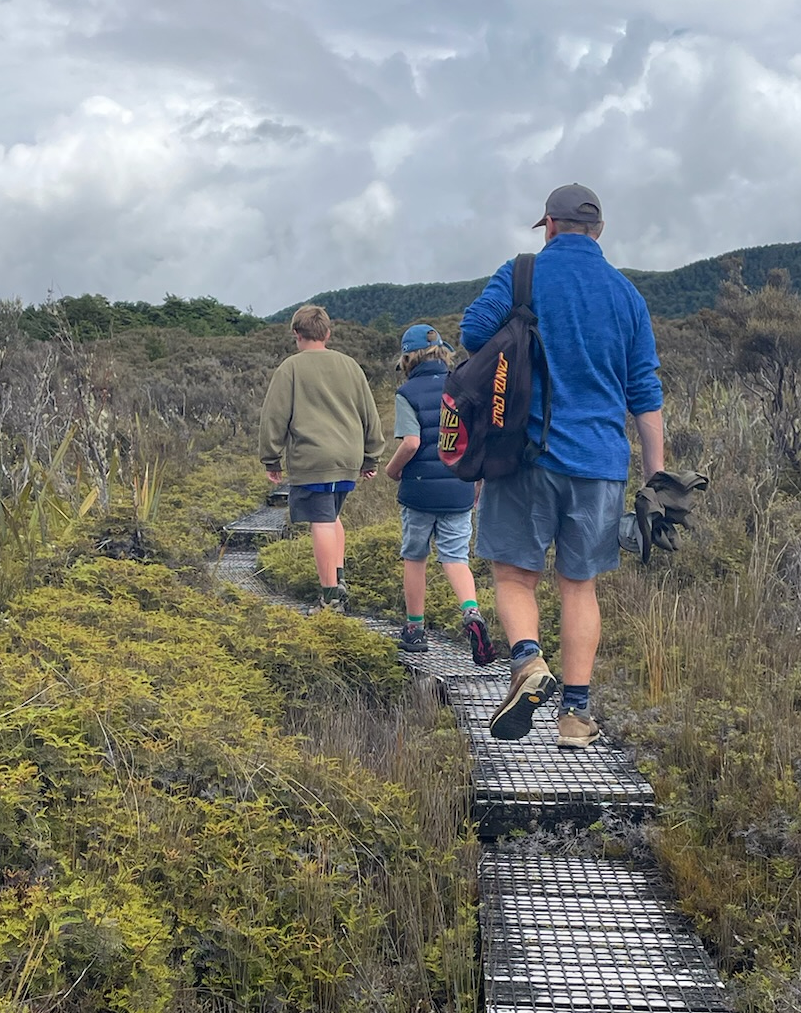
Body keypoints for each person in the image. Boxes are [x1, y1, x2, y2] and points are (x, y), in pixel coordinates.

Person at [459, 183, 664, 747]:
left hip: (523, 456)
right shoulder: (626, 295)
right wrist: (655, 479)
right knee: (579, 586)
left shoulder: (520, 274)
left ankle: (528, 662)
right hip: (599, 464)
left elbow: (473, 333)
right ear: (599, 231)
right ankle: (574, 717)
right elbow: (645, 395)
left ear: (548, 225)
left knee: (513, 576)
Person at [258, 303, 383, 610]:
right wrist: (371, 456)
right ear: (327, 333)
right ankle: (338, 580)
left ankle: (330, 598)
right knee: (332, 516)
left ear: (296, 333)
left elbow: (274, 416)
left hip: (314, 459)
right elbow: (369, 413)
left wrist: (271, 458)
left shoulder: (290, 368)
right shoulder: (350, 365)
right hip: (348, 457)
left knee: (322, 521)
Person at [385, 323, 497, 665]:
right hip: (459, 486)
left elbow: (412, 442)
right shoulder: (462, 386)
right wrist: (476, 483)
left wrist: (392, 470)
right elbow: (477, 441)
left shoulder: (407, 393)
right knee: (456, 558)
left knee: (415, 557)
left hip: (419, 490)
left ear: (408, 358)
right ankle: (471, 612)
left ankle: (415, 630)